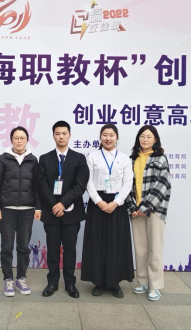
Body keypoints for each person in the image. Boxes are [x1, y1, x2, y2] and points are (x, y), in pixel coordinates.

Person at [37, 121, 90, 298]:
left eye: (64, 133)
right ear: (53, 135)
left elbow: (80, 185)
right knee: (52, 250)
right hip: (51, 212)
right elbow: (42, 185)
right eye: (58, 133)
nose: (61, 136)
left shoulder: (79, 158)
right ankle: (52, 282)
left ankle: (70, 283)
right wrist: (54, 205)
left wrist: (63, 204)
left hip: (72, 213)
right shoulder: (44, 159)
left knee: (70, 250)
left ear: (69, 135)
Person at [81, 124, 134, 298]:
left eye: (111, 135)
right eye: (105, 135)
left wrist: (116, 202)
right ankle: (98, 282)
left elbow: (128, 183)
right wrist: (99, 202)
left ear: (117, 137)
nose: (108, 138)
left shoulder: (124, 158)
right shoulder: (92, 157)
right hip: (98, 203)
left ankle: (114, 282)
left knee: (116, 243)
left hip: (117, 204)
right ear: (100, 137)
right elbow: (88, 181)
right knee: (97, 243)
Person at [0, 126, 41, 297]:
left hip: (27, 210)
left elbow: (37, 186)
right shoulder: (3, 159)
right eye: (16, 138)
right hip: (7, 210)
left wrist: (38, 207)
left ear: (27, 140)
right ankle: (8, 279)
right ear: (11, 140)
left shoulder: (33, 160)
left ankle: (21, 278)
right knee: (6, 246)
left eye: (22, 138)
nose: (19, 141)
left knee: (23, 246)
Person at [126, 125, 172, 302]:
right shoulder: (132, 159)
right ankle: (143, 282)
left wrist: (145, 207)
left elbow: (163, 184)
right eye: (142, 136)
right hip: (136, 211)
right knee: (141, 249)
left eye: (149, 137)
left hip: (155, 211)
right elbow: (127, 185)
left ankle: (155, 286)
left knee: (155, 249)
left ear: (155, 140)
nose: (145, 139)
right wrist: (132, 207)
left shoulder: (160, 159)